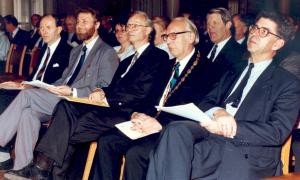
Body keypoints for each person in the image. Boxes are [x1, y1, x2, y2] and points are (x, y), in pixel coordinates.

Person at [10, 11, 170, 180]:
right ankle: (44, 170)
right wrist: (101, 91)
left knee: (65, 129)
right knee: (65, 106)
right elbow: (112, 87)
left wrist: (107, 98)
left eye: (135, 26)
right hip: (109, 108)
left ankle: (43, 169)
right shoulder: (127, 61)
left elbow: (141, 92)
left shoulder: (158, 56)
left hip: (128, 113)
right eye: (128, 25)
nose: (129, 29)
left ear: (148, 31)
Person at [146, 11, 300, 180]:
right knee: (174, 131)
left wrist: (231, 127)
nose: (255, 33)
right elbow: (206, 102)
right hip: (213, 141)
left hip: (247, 151)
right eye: (255, 28)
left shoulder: (287, 83)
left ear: (277, 43)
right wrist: (218, 112)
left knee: (166, 157)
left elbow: (276, 131)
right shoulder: (233, 69)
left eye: (264, 31)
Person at [0, 7, 119, 177]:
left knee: (26, 96)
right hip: (59, 95)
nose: (80, 26)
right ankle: (24, 169)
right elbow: (64, 79)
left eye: (85, 22)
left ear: (97, 24)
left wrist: (73, 91)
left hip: (77, 104)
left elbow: (104, 87)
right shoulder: (77, 51)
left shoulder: (106, 52)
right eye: (78, 22)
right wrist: (47, 87)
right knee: (28, 114)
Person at [0, 14, 72, 115]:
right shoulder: (43, 50)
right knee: (7, 94)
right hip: (34, 91)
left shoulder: (68, 51)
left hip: (52, 97)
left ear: (59, 29)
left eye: (48, 27)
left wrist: (28, 87)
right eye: (41, 28)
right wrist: (20, 84)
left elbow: (61, 81)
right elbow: (35, 74)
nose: (44, 31)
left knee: (21, 96)